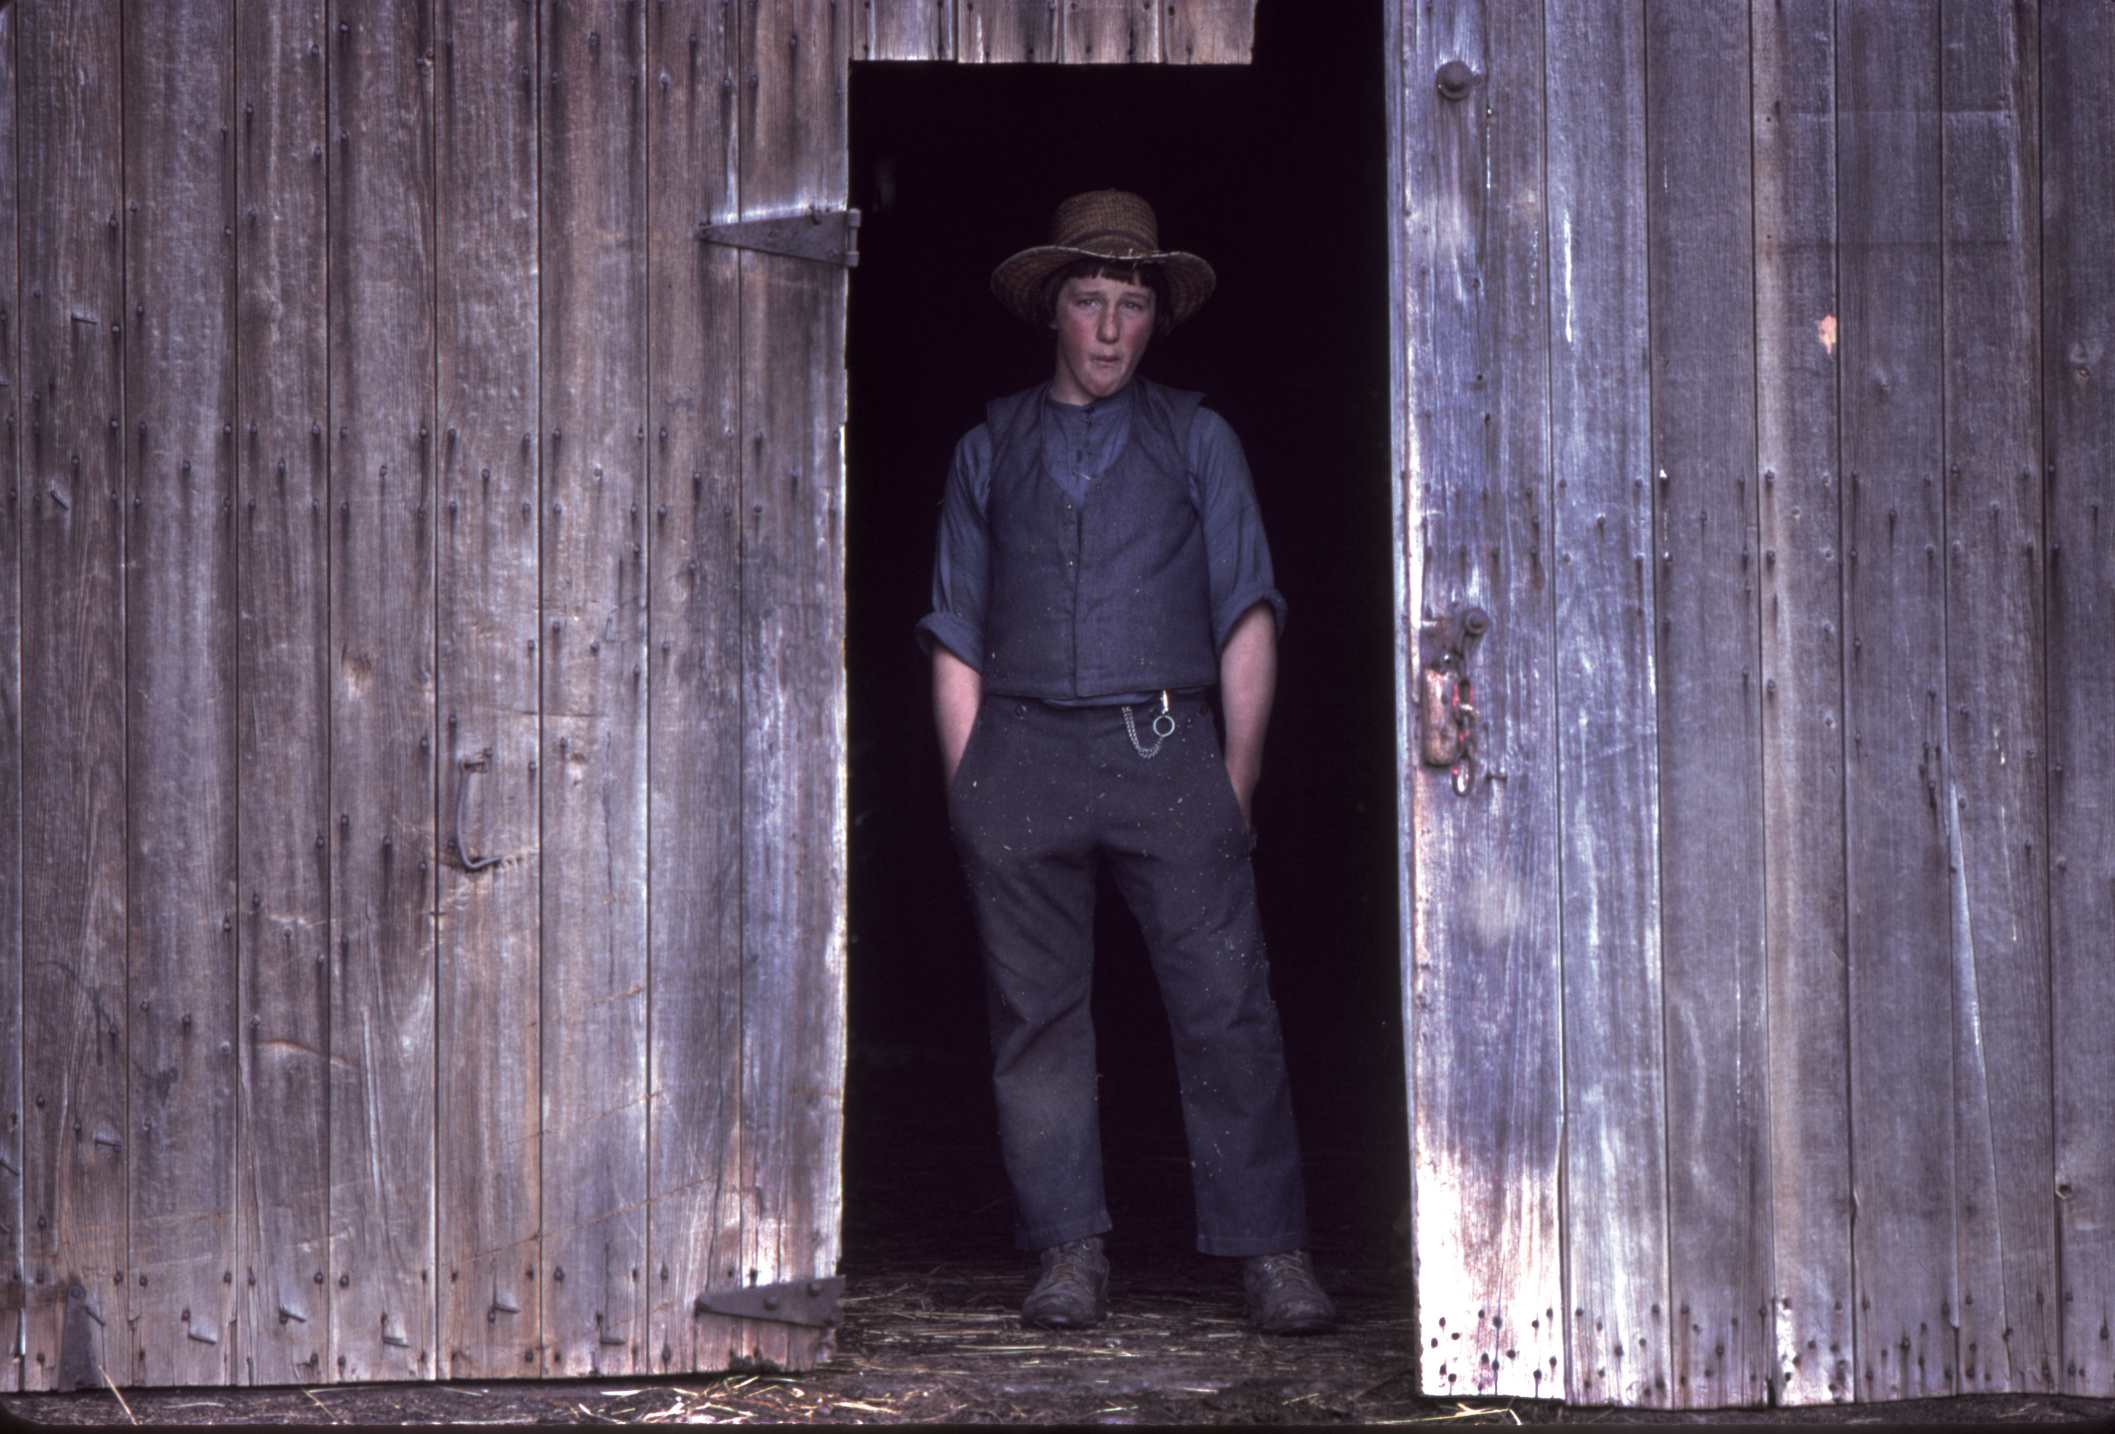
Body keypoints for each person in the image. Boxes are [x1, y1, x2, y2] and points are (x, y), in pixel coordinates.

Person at [915, 189, 1335, 1336]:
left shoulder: (1198, 438)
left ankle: (1271, 1252)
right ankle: (1067, 1251)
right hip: (1026, 753)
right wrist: (972, 792)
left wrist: (1233, 778)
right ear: (1053, 311)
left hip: (1166, 747)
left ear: (1157, 320)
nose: (1109, 331)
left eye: (1132, 307)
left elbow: (1248, 609)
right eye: (1090, 303)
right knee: (1036, 1017)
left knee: (1225, 1005)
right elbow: (953, 623)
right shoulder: (989, 445)